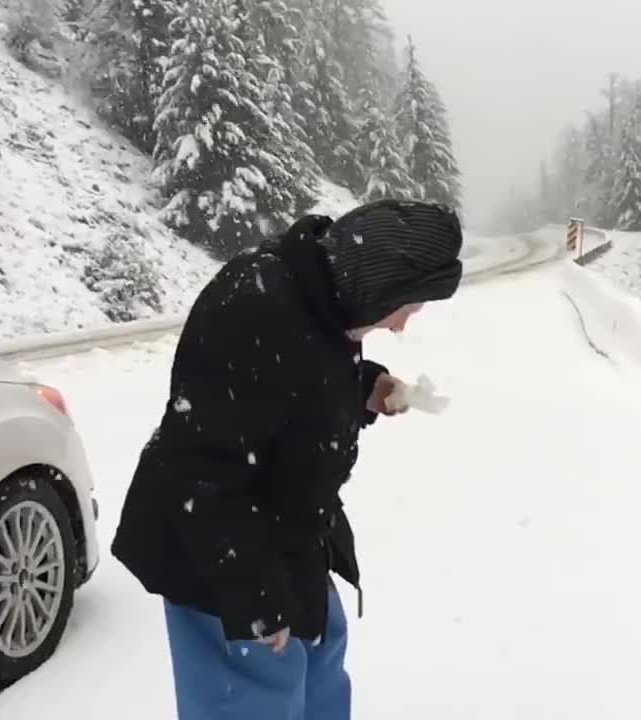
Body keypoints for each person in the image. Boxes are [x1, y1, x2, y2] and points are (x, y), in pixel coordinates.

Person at [110, 199, 464, 720]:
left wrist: (367, 388)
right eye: (407, 307)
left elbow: (298, 382)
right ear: (381, 284)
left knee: (321, 679)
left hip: (291, 539)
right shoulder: (255, 309)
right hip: (222, 562)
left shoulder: (328, 294)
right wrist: (255, 599)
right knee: (257, 696)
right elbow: (200, 469)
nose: (400, 327)